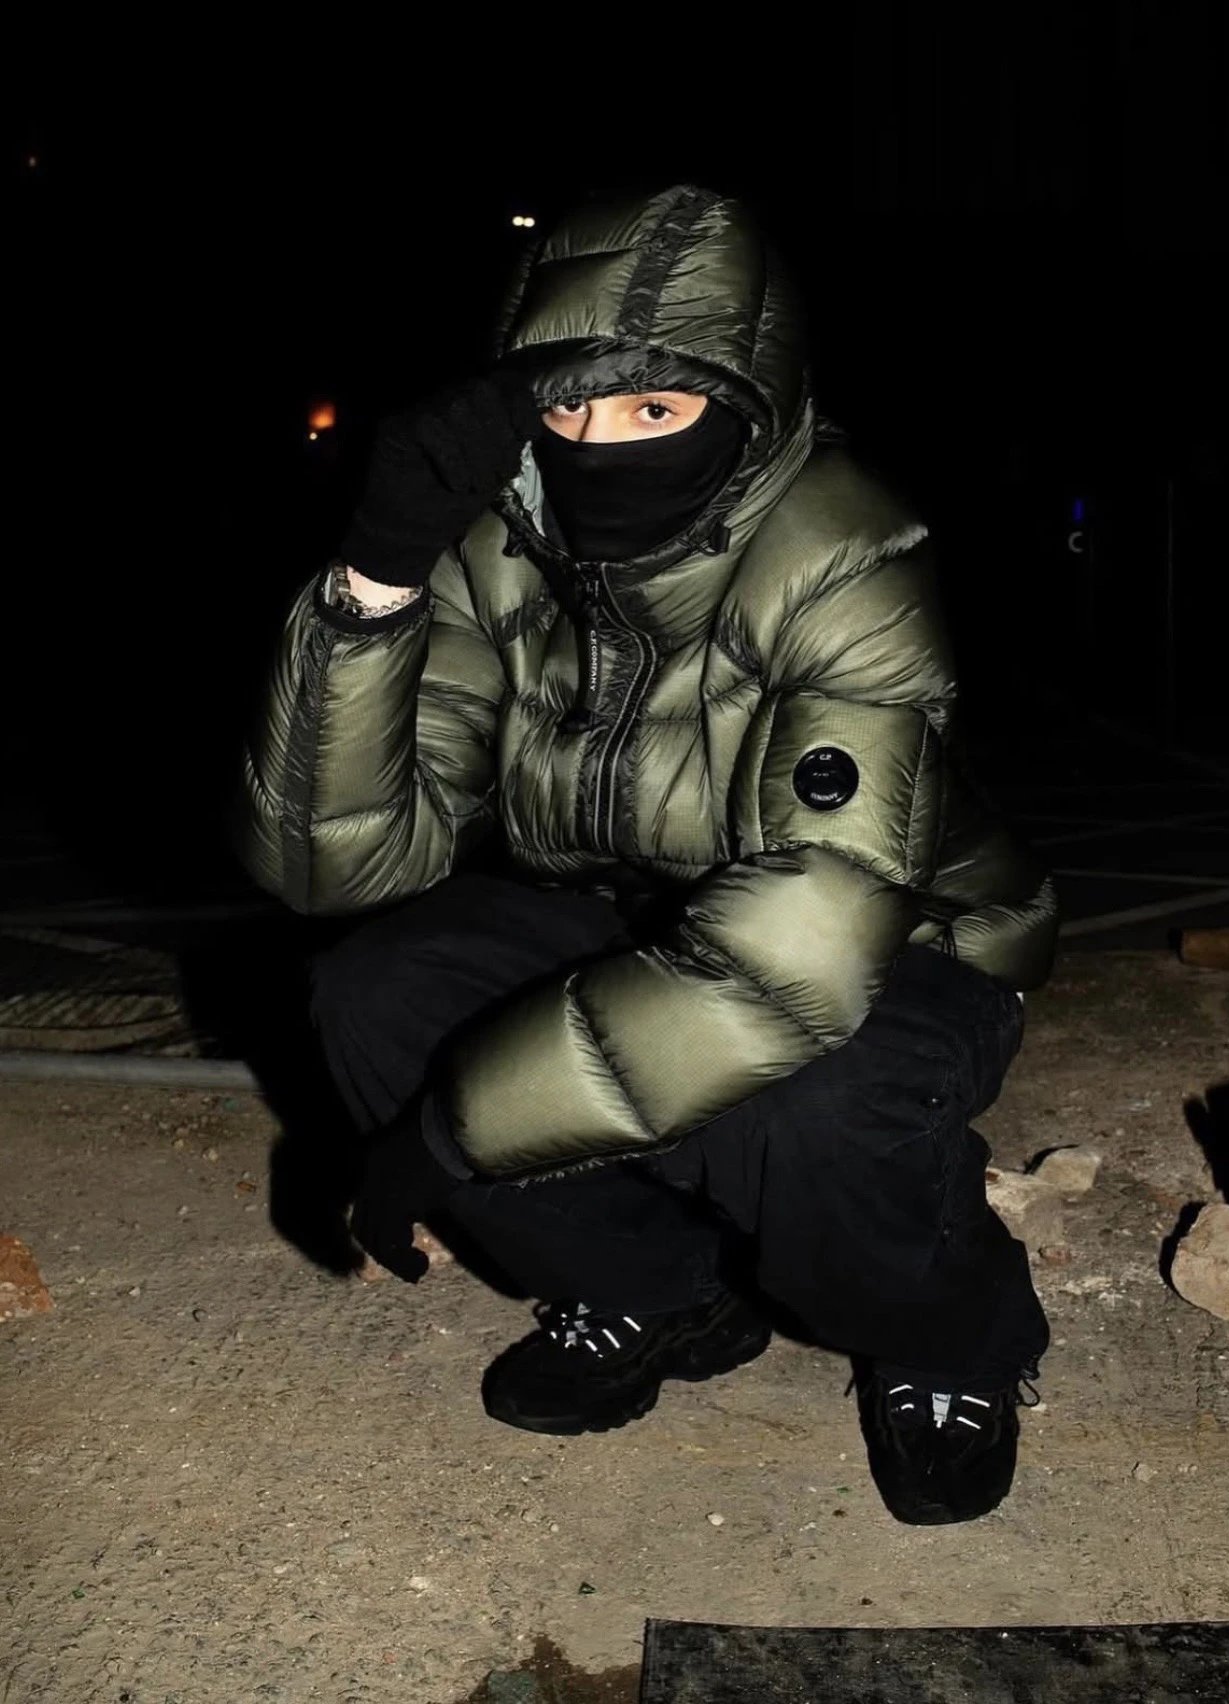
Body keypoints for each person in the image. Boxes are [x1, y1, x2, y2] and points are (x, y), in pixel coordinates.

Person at [233, 183, 1058, 1526]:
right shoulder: (497, 550)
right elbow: (336, 870)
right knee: (374, 993)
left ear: (747, 404)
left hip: (896, 940)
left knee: (806, 1113)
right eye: (567, 411)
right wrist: (375, 579)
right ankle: (659, 1291)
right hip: (630, 906)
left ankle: (949, 1333)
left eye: (653, 410)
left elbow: (802, 947)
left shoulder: (847, 551)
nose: (597, 449)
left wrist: (456, 1128)